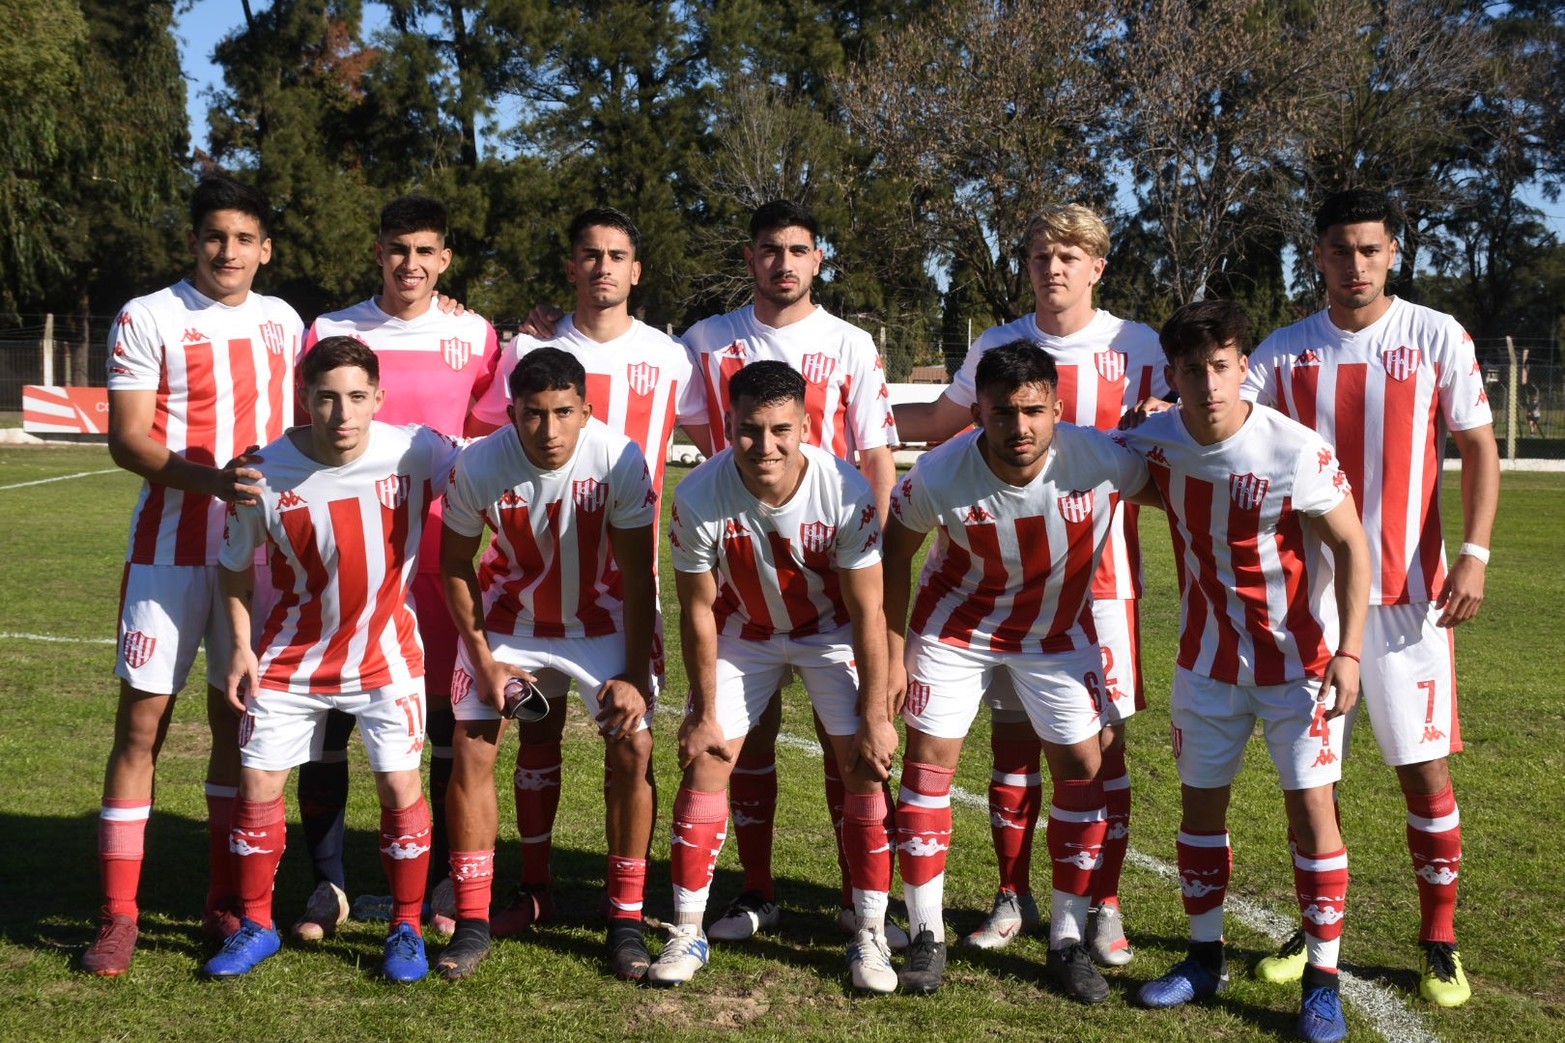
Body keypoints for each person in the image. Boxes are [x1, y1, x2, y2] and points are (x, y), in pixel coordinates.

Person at [1242, 189, 1498, 1008]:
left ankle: (1438, 937)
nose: (1354, 266)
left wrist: (1473, 553)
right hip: (1308, 604)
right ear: (1314, 255)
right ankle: (1315, 928)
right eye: (1338, 250)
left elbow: (1477, 447)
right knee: (1312, 780)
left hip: (1409, 599)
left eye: (1369, 250)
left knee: (1421, 772)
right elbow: (1223, 422)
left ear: (1392, 252)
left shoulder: (1433, 334)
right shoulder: (1281, 353)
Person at [894, 205, 1167, 961]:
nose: (1054, 267)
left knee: (1097, 749)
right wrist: (852, 422)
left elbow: (1180, 426)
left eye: (1070, 255)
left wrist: (1167, 409)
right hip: (999, 576)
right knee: (1011, 745)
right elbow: (943, 423)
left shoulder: (1137, 345)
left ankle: (1101, 903)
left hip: (1098, 581)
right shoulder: (997, 343)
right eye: (1042, 253)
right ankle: (1011, 893)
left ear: (1097, 267)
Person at [1119, 300, 1370, 1043]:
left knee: (1311, 814)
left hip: (1301, 667)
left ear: (1241, 367)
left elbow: (1354, 548)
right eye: (1191, 371)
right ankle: (1203, 959)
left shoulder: (1293, 448)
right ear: (1171, 375)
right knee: (1199, 812)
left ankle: (1322, 981)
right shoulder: (1152, 441)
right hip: (1205, 664)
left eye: (1220, 366)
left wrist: (1350, 650)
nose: (1208, 384)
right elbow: (1104, 465)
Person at [84, 174, 303, 977]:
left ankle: (223, 899)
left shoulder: (284, 321)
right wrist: (212, 482)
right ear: (194, 242)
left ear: (265, 248)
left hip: (257, 560)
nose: (228, 251)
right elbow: (127, 440)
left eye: (244, 238)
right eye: (215, 236)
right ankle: (117, 915)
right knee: (141, 725)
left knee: (233, 724)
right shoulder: (150, 314)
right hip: (169, 550)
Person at [203, 336, 462, 981]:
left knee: (400, 786)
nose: (341, 414)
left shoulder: (416, 449)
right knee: (259, 788)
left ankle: (406, 928)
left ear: (378, 398)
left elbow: (491, 465)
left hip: (386, 655)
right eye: (326, 398)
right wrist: (239, 646)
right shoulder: (261, 474)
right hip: (290, 658)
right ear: (305, 399)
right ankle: (257, 924)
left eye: (355, 397)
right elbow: (233, 572)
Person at [467, 207, 695, 938]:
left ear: (636, 268)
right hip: (526, 585)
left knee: (628, 739)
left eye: (616, 254)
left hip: (619, 586)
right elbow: (482, 437)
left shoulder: (671, 357)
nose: (602, 266)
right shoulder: (529, 349)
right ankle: (532, 888)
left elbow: (727, 439)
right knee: (534, 731)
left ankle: (621, 903)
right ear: (572, 265)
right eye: (589, 254)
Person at [679, 199, 902, 947]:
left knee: (852, 745)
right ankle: (757, 889)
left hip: (831, 563)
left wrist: (862, 547)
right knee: (749, 738)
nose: (783, 261)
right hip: (740, 565)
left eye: (798, 249)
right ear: (750, 257)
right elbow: (653, 413)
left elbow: (873, 452)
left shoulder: (848, 342)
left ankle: (857, 903)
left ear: (818, 259)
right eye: (769, 248)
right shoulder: (706, 342)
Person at [647, 360, 898, 992]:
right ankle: (687, 930)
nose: (766, 446)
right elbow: (699, 610)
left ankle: (868, 931)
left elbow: (870, 609)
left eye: (781, 429)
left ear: (807, 425)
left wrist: (875, 715)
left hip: (830, 630)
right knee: (708, 757)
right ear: (729, 425)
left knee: (863, 764)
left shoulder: (845, 490)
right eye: (750, 430)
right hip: (745, 633)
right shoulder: (699, 493)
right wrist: (703, 710)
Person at [290, 194, 501, 942]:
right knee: (330, 715)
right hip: (344, 552)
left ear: (445, 258)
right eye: (396, 248)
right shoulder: (332, 329)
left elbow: (488, 436)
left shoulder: (475, 334)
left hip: (438, 553)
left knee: (441, 717)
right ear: (377, 251)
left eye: (425, 250)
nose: (409, 263)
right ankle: (328, 883)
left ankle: (442, 874)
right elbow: (302, 434)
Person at [437, 347, 658, 982]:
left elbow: (639, 576)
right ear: (511, 413)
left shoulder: (619, 458)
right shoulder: (478, 463)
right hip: (509, 619)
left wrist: (638, 678)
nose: (550, 430)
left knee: (632, 748)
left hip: (603, 617)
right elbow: (456, 564)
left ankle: (625, 920)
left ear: (586, 410)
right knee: (473, 744)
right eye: (533, 415)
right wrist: (484, 662)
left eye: (564, 413)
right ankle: (482, 916)